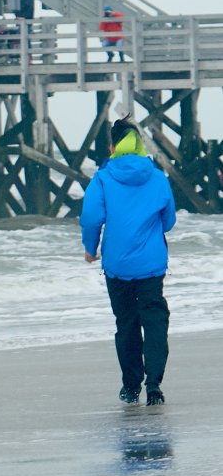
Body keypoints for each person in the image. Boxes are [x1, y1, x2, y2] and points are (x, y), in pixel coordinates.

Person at [81, 119, 176, 406]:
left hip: (118, 266)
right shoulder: (158, 177)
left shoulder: (103, 178)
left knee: (127, 323)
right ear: (138, 144)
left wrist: (90, 248)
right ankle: (155, 385)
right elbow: (169, 221)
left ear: (112, 147)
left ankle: (131, 386)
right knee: (155, 320)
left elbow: (91, 217)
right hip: (151, 265)